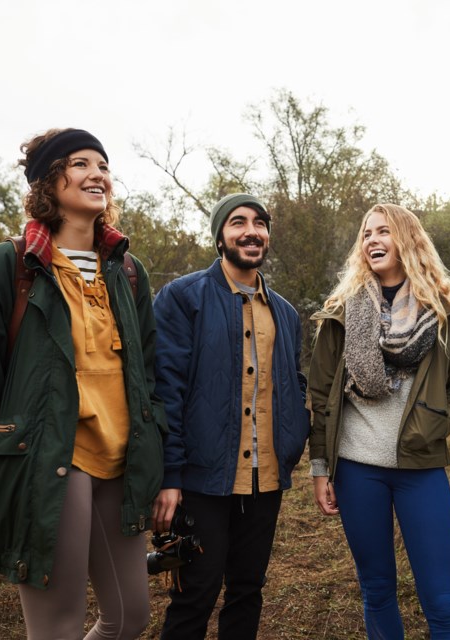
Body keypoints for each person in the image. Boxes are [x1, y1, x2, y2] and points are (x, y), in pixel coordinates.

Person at [0, 128, 167, 639]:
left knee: (129, 618)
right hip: (46, 460)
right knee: (58, 626)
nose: (97, 174)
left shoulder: (127, 271)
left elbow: (148, 374)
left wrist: (157, 448)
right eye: (80, 163)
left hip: (122, 461)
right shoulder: (8, 266)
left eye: (103, 165)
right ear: (46, 182)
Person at [308, 203, 450, 639]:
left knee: (442, 601)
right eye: (366, 234)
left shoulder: (444, 312)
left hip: (419, 467)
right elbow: (321, 396)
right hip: (356, 468)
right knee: (377, 589)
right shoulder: (342, 312)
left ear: (407, 240)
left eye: (383, 231)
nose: (372, 241)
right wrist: (320, 467)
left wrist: (437, 424)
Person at [151, 193, 311, 640]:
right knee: (195, 593)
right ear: (220, 236)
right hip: (203, 477)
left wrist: (293, 436)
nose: (252, 230)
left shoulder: (285, 312)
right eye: (238, 222)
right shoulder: (183, 298)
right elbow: (167, 390)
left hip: (265, 477)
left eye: (260, 223)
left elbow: (292, 382)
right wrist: (170, 474)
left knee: (248, 589)